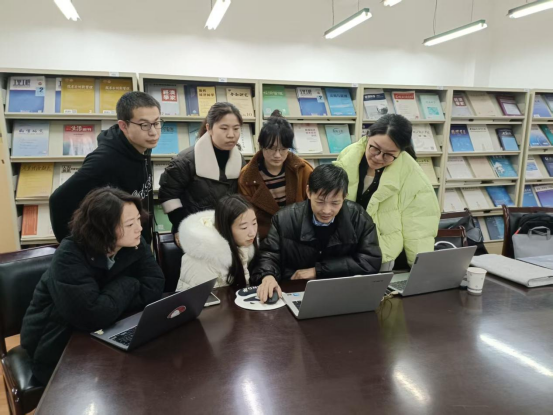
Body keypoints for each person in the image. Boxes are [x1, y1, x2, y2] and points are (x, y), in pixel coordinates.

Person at [21, 188, 165, 385]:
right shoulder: (69, 255)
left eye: (139, 220)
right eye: (130, 224)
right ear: (103, 228)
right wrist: (129, 284)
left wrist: (108, 304)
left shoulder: (135, 243)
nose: (139, 228)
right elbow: (92, 315)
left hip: (107, 333)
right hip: (56, 345)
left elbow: (155, 285)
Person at [251, 164, 382, 303]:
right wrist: (268, 276)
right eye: (320, 201)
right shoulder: (284, 219)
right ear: (308, 192)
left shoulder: (358, 217)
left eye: (335, 203)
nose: (326, 210)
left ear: (345, 197)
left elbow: (370, 260)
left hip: (342, 294)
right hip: (296, 292)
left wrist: (318, 271)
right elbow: (269, 255)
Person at [50, 92, 162, 244]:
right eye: (144, 125)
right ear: (123, 126)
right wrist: (76, 248)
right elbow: (58, 200)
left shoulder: (143, 145)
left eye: (156, 123)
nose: (153, 132)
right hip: (116, 246)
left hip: (137, 240)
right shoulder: (103, 161)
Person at [334, 114, 440, 270]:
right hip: (346, 246)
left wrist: (421, 270)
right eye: (374, 148)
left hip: (383, 252)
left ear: (400, 152)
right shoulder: (349, 155)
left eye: (389, 155)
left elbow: (419, 224)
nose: (378, 157)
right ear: (367, 136)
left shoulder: (412, 174)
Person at [159, 102, 247, 247]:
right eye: (224, 128)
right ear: (209, 128)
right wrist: (181, 226)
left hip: (227, 232)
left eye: (236, 129)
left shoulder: (240, 160)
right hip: (193, 232)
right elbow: (168, 196)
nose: (231, 135)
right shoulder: (185, 160)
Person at [238, 111, 313, 240]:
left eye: (283, 149)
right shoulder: (247, 178)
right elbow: (246, 217)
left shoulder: (303, 170)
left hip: (299, 235)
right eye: (272, 148)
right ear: (262, 146)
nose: (277, 155)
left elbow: (313, 205)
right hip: (265, 238)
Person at [177, 195, 258, 291]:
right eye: (244, 227)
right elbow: (200, 298)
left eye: (254, 223)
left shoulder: (243, 247)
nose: (253, 233)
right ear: (226, 228)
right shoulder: (202, 258)